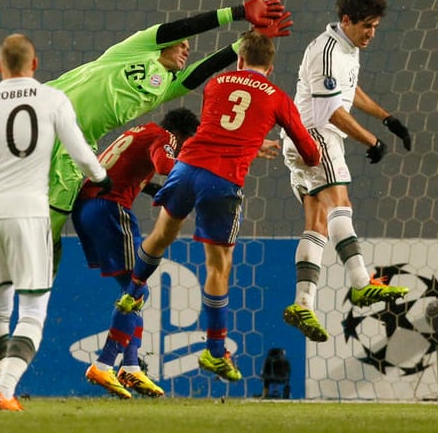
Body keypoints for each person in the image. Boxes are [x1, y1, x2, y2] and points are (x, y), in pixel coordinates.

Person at [0, 0, 294, 331]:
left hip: (75, 150)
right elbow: (183, 25)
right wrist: (238, 12)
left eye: (188, 46)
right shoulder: (137, 49)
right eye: (181, 44)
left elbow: (200, 70)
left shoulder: (165, 86)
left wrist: (244, 46)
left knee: (44, 236)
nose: (186, 47)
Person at [93, 29, 321, 384]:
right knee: (218, 266)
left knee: (161, 234)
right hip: (223, 180)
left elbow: (219, 126)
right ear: (271, 67)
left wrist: (249, 140)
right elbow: (309, 153)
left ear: (240, 59)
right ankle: (216, 351)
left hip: (187, 168)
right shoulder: (277, 96)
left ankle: (132, 292)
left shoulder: (216, 83)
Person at [0, 34, 111, 412]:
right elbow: (80, 150)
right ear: (35, 65)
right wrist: (100, 177)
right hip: (30, 213)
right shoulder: (52, 99)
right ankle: (7, 389)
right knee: (32, 310)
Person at [281, 0, 413, 343]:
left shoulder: (347, 47)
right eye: (366, 26)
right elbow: (330, 110)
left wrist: (386, 118)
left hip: (304, 137)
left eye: (375, 27)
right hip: (316, 134)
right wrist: (372, 140)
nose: (371, 34)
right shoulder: (326, 50)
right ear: (346, 20)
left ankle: (303, 303)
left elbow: (348, 89)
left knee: (318, 222)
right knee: (342, 204)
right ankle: (360, 283)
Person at [75, 107, 200, 399]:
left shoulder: (140, 132)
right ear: (181, 136)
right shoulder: (165, 137)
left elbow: (128, 170)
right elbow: (165, 165)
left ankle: (130, 365)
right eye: (189, 143)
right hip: (109, 207)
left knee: (135, 290)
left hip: (88, 207)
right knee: (137, 289)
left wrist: (152, 189)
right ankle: (105, 363)